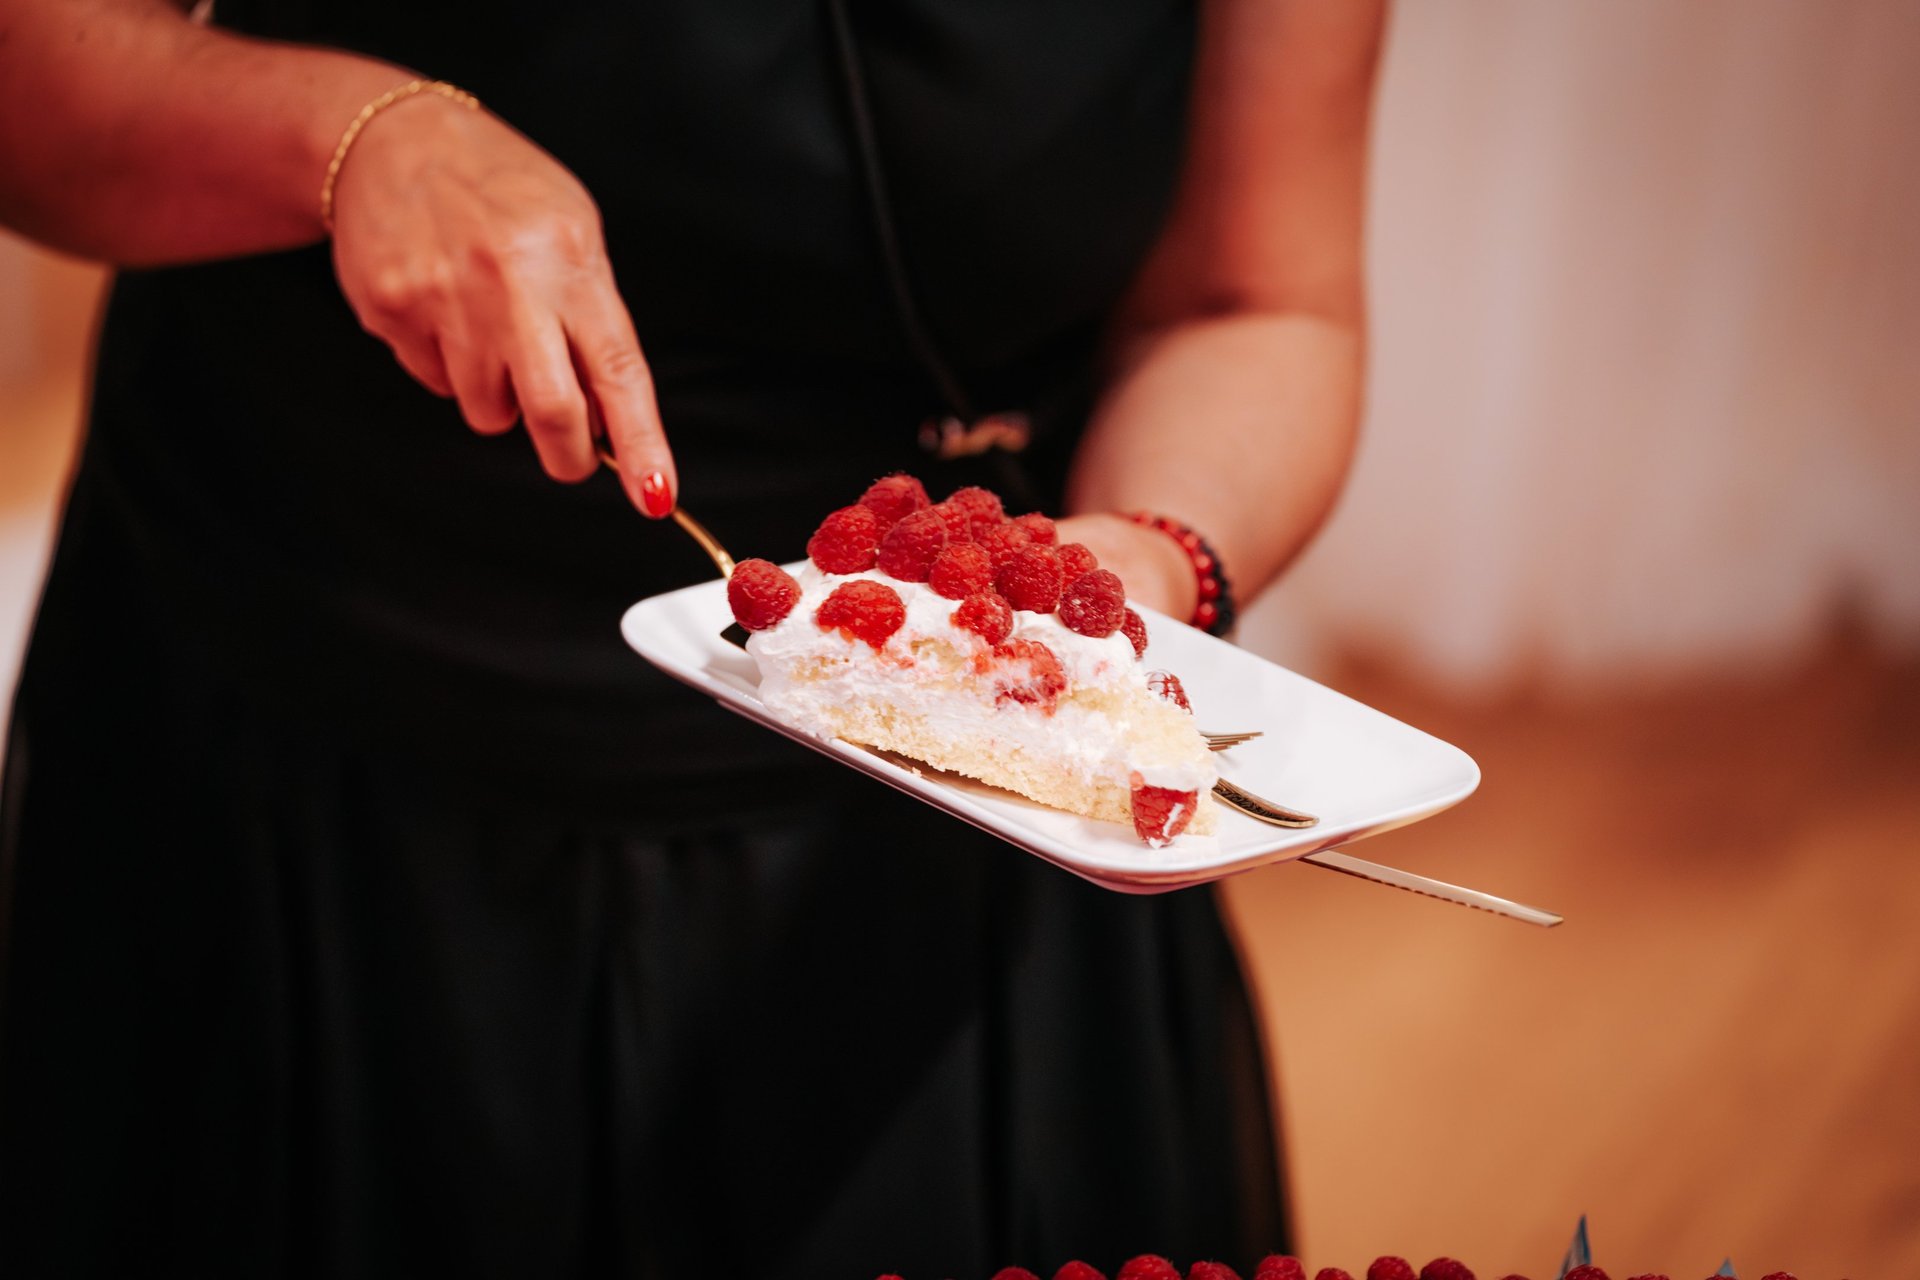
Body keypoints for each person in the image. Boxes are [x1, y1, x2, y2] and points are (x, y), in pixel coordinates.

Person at [0, 0, 1381, 1274]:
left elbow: (1253, 298)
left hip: (964, 831)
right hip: (313, 762)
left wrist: (1143, 564)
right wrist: (353, 135)